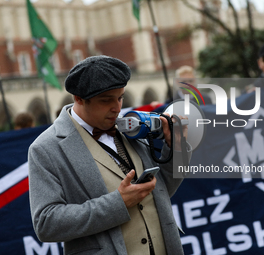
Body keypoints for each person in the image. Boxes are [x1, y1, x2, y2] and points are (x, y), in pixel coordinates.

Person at [28, 55, 190, 255]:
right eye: (106, 101)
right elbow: (46, 223)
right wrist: (118, 203)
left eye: (120, 97)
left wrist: (176, 148)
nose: (117, 107)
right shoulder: (45, 148)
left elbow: (161, 192)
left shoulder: (131, 126)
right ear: (78, 98)